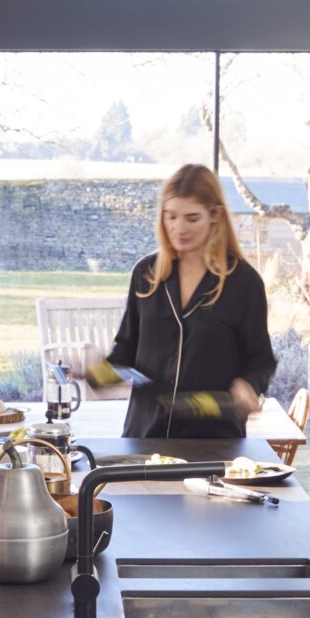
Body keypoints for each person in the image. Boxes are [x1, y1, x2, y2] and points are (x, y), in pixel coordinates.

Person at [100, 162, 278, 441]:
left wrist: (249, 385)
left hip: (213, 441)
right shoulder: (146, 276)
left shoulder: (243, 283)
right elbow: (126, 349)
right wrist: (100, 373)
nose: (178, 227)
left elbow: (260, 360)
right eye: (170, 216)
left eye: (192, 218)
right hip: (144, 435)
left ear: (215, 215)